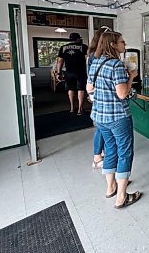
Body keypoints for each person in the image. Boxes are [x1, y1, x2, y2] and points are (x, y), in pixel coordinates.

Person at [87, 31, 142, 208]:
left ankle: (110, 187)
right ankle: (121, 196)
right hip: (118, 117)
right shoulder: (116, 65)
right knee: (124, 153)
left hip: (100, 116)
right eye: (122, 42)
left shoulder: (96, 63)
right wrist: (132, 76)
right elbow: (122, 93)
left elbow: (89, 88)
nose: (124, 45)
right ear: (113, 45)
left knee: (110, 150)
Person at [87, 26, 111, 169]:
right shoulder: (95, 57)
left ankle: (100, 154)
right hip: (100, 94)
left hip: (95, 94)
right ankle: (97, 157)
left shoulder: (91, 54)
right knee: (102, 127)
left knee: (102, 126)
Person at [57, 32, 88, 115]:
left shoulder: (63, 47)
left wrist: (59, 72)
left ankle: (71, 108)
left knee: (71, 89)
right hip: (81, 72)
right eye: (79, 38)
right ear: (77, 39)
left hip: (69, 72)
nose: (80, 39)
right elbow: (87, 59)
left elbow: (60, 61)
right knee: (80, 89)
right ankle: (80, 109)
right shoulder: (83, 47)